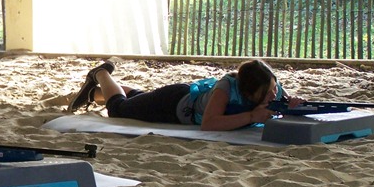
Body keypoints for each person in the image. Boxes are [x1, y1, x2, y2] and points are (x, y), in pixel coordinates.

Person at [68, 59, 304, 131]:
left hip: (176, 101)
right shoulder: (226, 88)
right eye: (267, 93)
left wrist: (292, 105)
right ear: (248, 92)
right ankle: (100, 74)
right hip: (171, 104)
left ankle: (94, 93)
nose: (274, 94)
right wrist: (252, 116)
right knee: (119, 108)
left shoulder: (269, 86)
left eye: (275, 88)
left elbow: (285, 104)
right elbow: (209, 124)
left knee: (137, 97)